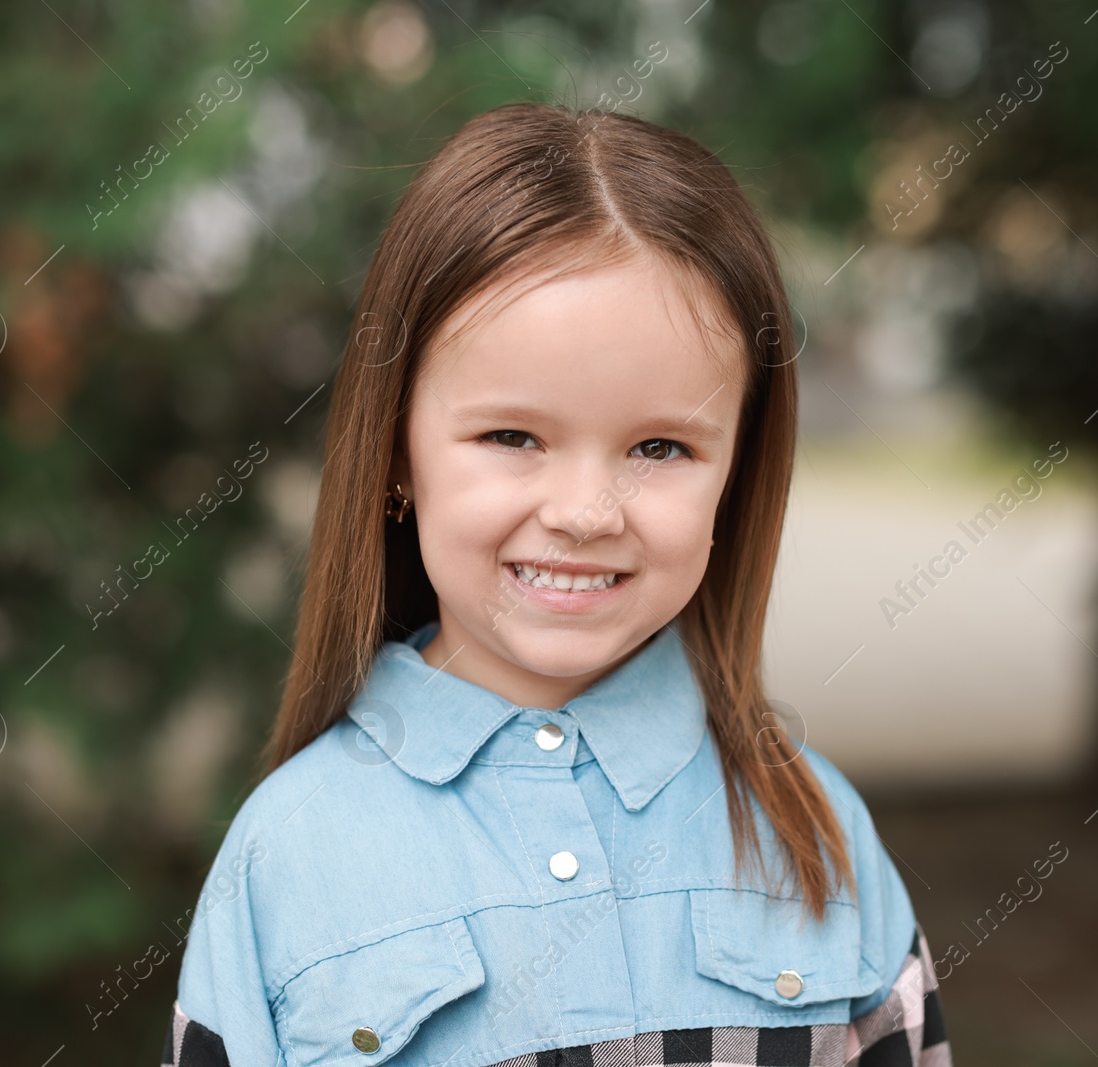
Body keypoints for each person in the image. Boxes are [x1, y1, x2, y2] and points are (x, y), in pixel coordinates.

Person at [162, 100, 952, 1067]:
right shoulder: (288, 855)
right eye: (512, 437)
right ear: (397, 453)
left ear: (738, 473)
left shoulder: (815, 831)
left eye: (659, 446)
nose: (586, 511)